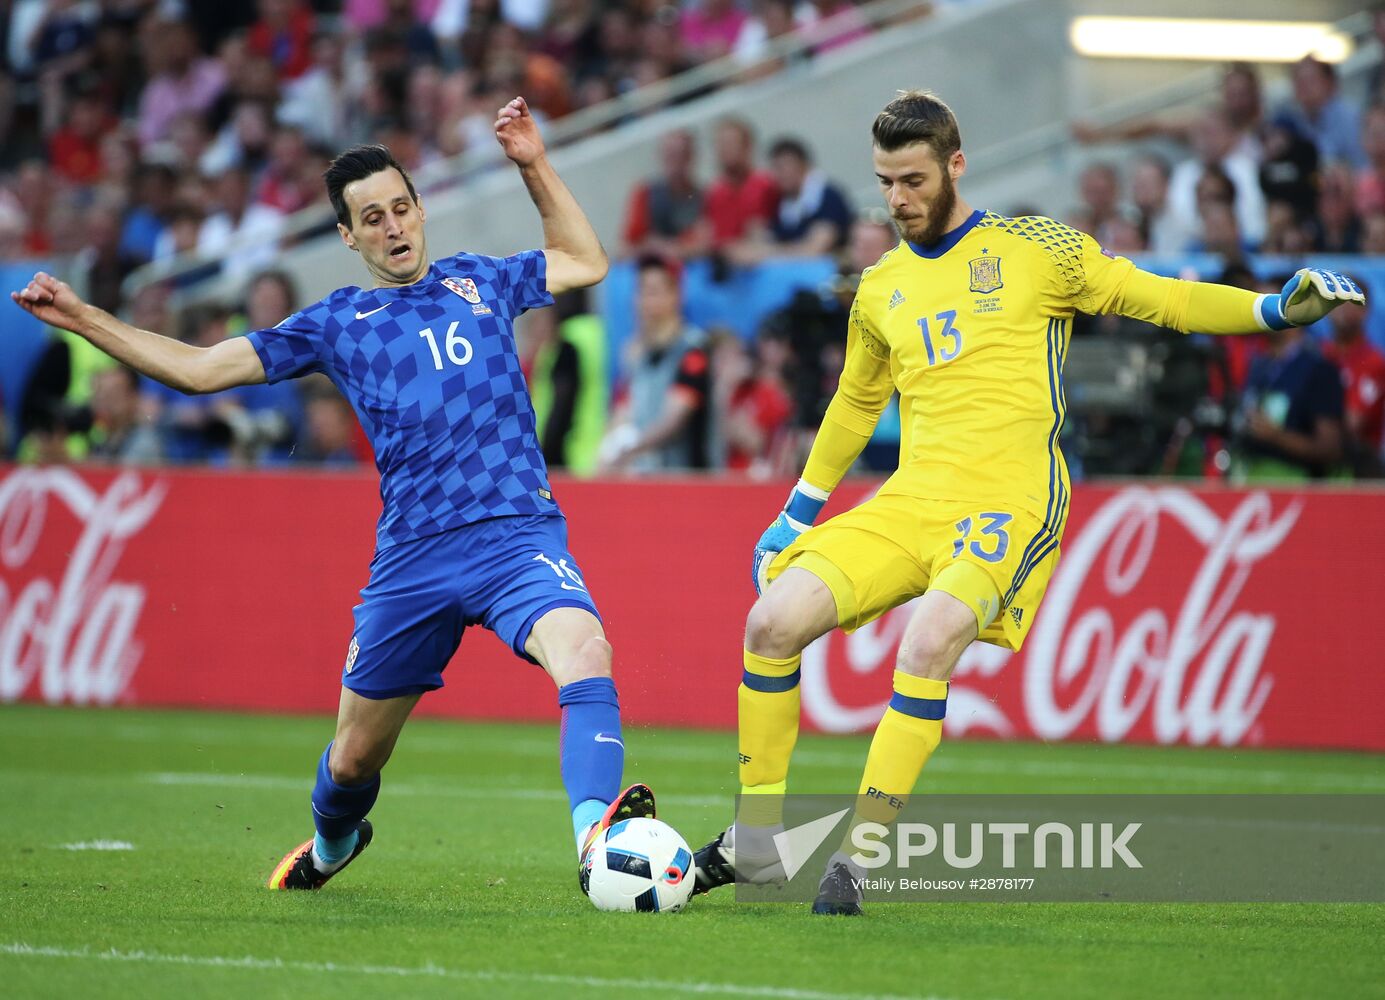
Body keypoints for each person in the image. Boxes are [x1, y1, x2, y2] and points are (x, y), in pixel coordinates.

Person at [685, 89, 1365, 916]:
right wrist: (798, 511)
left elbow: (1165, 299)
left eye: (910, 179)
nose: (895, 200)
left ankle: (855, 862)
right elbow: (855, 406)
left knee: (928, 639)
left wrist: (1270, 308)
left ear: (954, 165)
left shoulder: (1036, 249)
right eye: (883, 182)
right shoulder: (880, 287)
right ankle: (756, 842)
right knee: (770, 623)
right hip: (911, 500)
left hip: (1010, 498)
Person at [10, 96, 655, 899]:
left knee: (585, 650)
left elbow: (585, 261)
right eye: (372, 218)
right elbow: (202, 370)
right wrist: (85, 318)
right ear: (346, 236)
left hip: (516, 538)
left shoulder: (484, 282)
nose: (393, 228)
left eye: (400, 209)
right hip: (413, 561)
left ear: (420, 211)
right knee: (352, 758)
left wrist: (532, 163)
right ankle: (331, 843)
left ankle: (595, 837)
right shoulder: (337, 322)